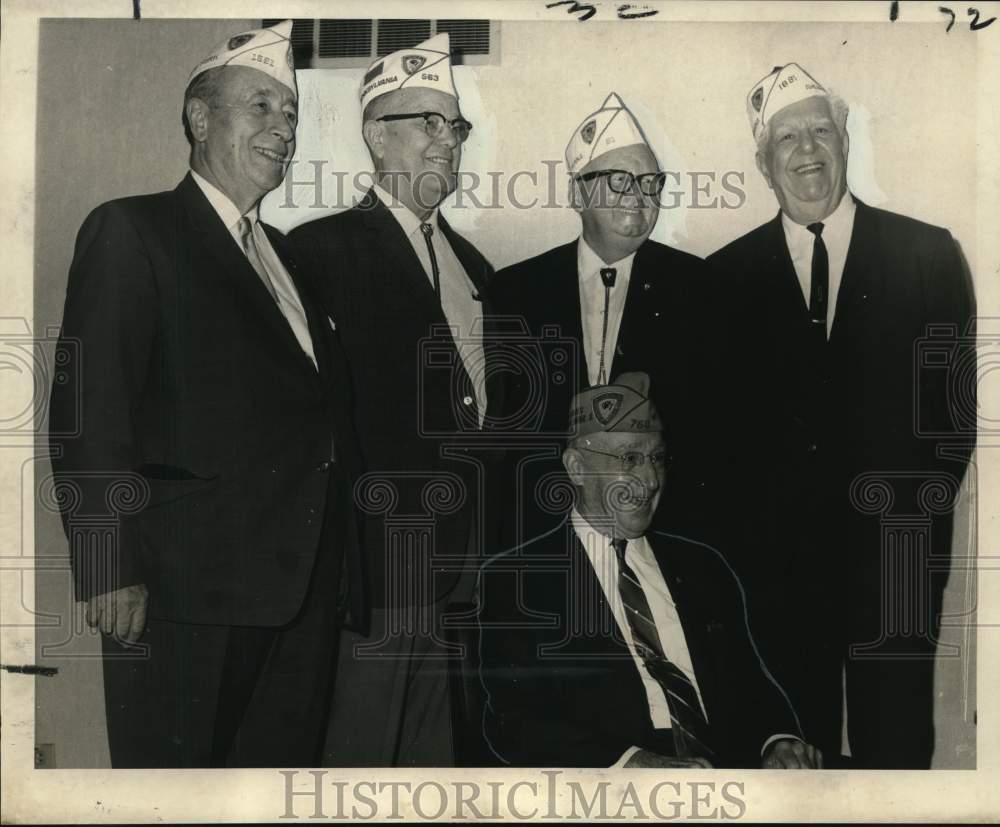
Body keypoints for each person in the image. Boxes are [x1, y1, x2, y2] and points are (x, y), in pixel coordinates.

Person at [48, 21, 362, 767]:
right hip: (180, 593)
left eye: (289, 115)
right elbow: (88, 411)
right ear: (199, 118)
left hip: (299, 599)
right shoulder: (133, 229)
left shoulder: (285, 254)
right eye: (261, 107)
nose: (283, 129)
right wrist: (107, 566)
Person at [707, 63, 976, 768]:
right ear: (763, 163)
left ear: (845, 139)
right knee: (794, 758)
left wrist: (911, 529)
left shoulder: (926, 254)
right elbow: (718, 440)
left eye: (820, 130)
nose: (807, 150)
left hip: (897, 559)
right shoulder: (723, 277)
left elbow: (951, 419)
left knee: (898, 749)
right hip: (777, 575)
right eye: (786, 138)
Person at [288, 33, 495, 766]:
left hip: (461, 571)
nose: (448, 142)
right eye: (428, 123)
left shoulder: (473, 263)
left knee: (430, 765)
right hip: (375, 570)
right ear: (378, 134)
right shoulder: (319, 251)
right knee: (359, 763)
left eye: (456, 126)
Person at [477, 372, 821, 769]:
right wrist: (632, 764)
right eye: (629, 459)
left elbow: (751, 681)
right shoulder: (521, 579)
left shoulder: (703, 566)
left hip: (729, 773)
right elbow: (515, 723)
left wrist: (777, 740)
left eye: (657, 458)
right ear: (576, 468)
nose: (650, 479)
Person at [489, 93, 720, 550]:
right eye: (618, 180)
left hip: (665, 529)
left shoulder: (702, 287)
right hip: (547, 534)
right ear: (577, 194)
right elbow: (507, 435)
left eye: (650, 182)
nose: (638, 197)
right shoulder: (514, 291)